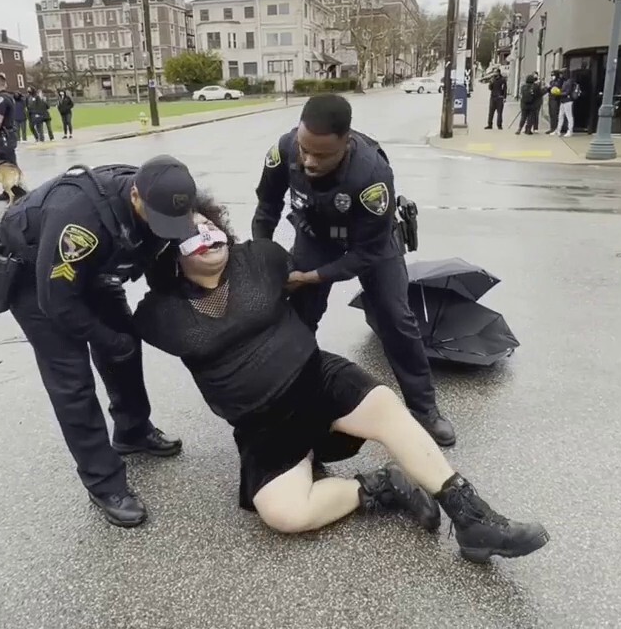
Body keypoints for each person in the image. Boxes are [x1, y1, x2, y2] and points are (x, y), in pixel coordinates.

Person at [132, 204, 550, 562]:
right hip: (263, 423)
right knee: (284, 515)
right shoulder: (158, 315)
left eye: (209, 223)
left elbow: (308, 277)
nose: (206, 234)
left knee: (386, 404)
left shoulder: (261, 258)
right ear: (171, 251)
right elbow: (93, 320)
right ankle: (379, 486)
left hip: (316, 379)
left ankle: (473, 518)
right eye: (191, 232)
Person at [0, 155, 199, 527]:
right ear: (136, 195)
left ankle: (133, 430)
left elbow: (159, 254)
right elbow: (56, 301)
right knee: (72, 381)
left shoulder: (164, 200)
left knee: (124, 345)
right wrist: (103, 337)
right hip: (36, 281)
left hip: (91, 270)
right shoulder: (79, 219)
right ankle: (103, 481)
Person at [252, 94, 456, 447]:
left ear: (347, 143)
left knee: (395, 318)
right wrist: (261, 255)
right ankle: (292, 403)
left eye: (322, 155)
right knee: (299, 319)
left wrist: (312, 277)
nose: (309, 160)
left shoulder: (372, 174)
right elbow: (266, 208)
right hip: (317, 236)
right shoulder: (285, 149)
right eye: (305, 149)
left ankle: (424, 410)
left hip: (371, 243)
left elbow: (367, 253)